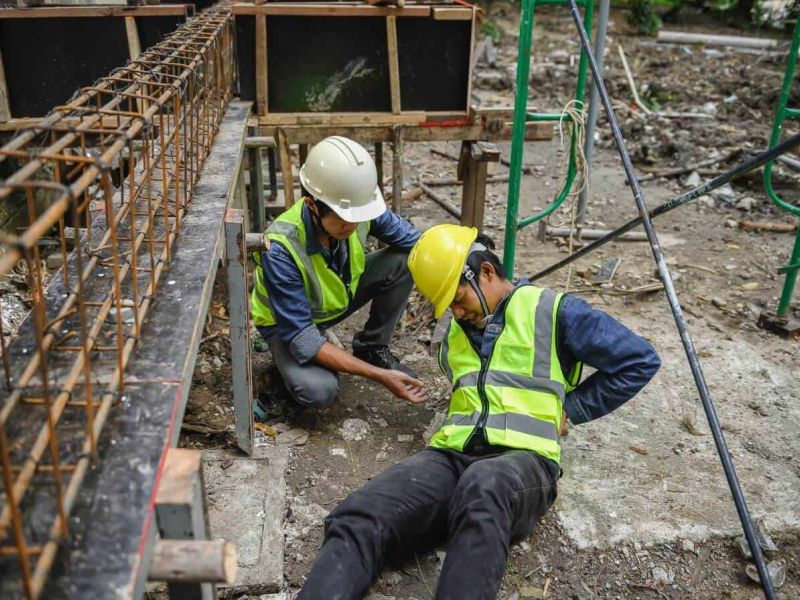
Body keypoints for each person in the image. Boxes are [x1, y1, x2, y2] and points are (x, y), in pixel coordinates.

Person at [297, 224, 661, 599]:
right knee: (359, 515)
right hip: (452, 456)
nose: (455, 313)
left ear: (486, 272)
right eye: (448, 306)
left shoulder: (555, 312)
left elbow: (638, 360)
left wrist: (574, 406)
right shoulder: (456, 331)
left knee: (484, 486)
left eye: (458, 299)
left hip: (523, 463)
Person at [251, 136, 426, 419]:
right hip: (287, 325)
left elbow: (415, 242)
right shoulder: (281, 248)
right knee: (318, 392)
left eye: (358, 216)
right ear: (312, 206)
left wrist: (466, 252)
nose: (353, 224)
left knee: (405, 260)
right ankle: (280, 377)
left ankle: (371, 347)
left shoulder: (357, 209)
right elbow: (302, 337)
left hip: (333, 302)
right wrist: (380, 376)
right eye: (344, 218)